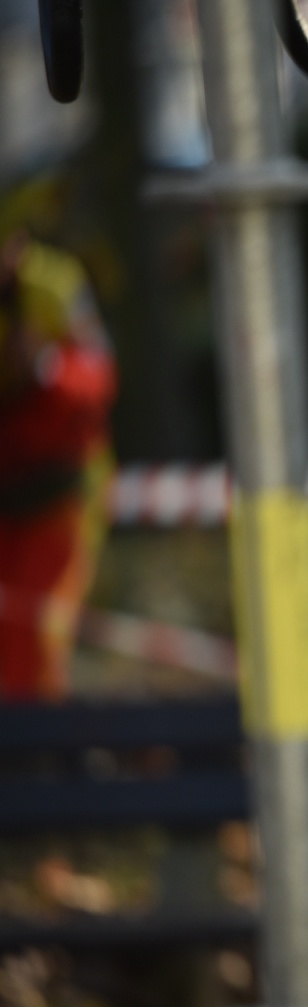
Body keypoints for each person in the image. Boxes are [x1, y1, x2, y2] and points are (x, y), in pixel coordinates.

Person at [0, 186, 116, 701]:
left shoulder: (53, 284)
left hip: (58, 496)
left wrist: (43, 367)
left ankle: (39, 762)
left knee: (36, 637)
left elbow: (98, 379)